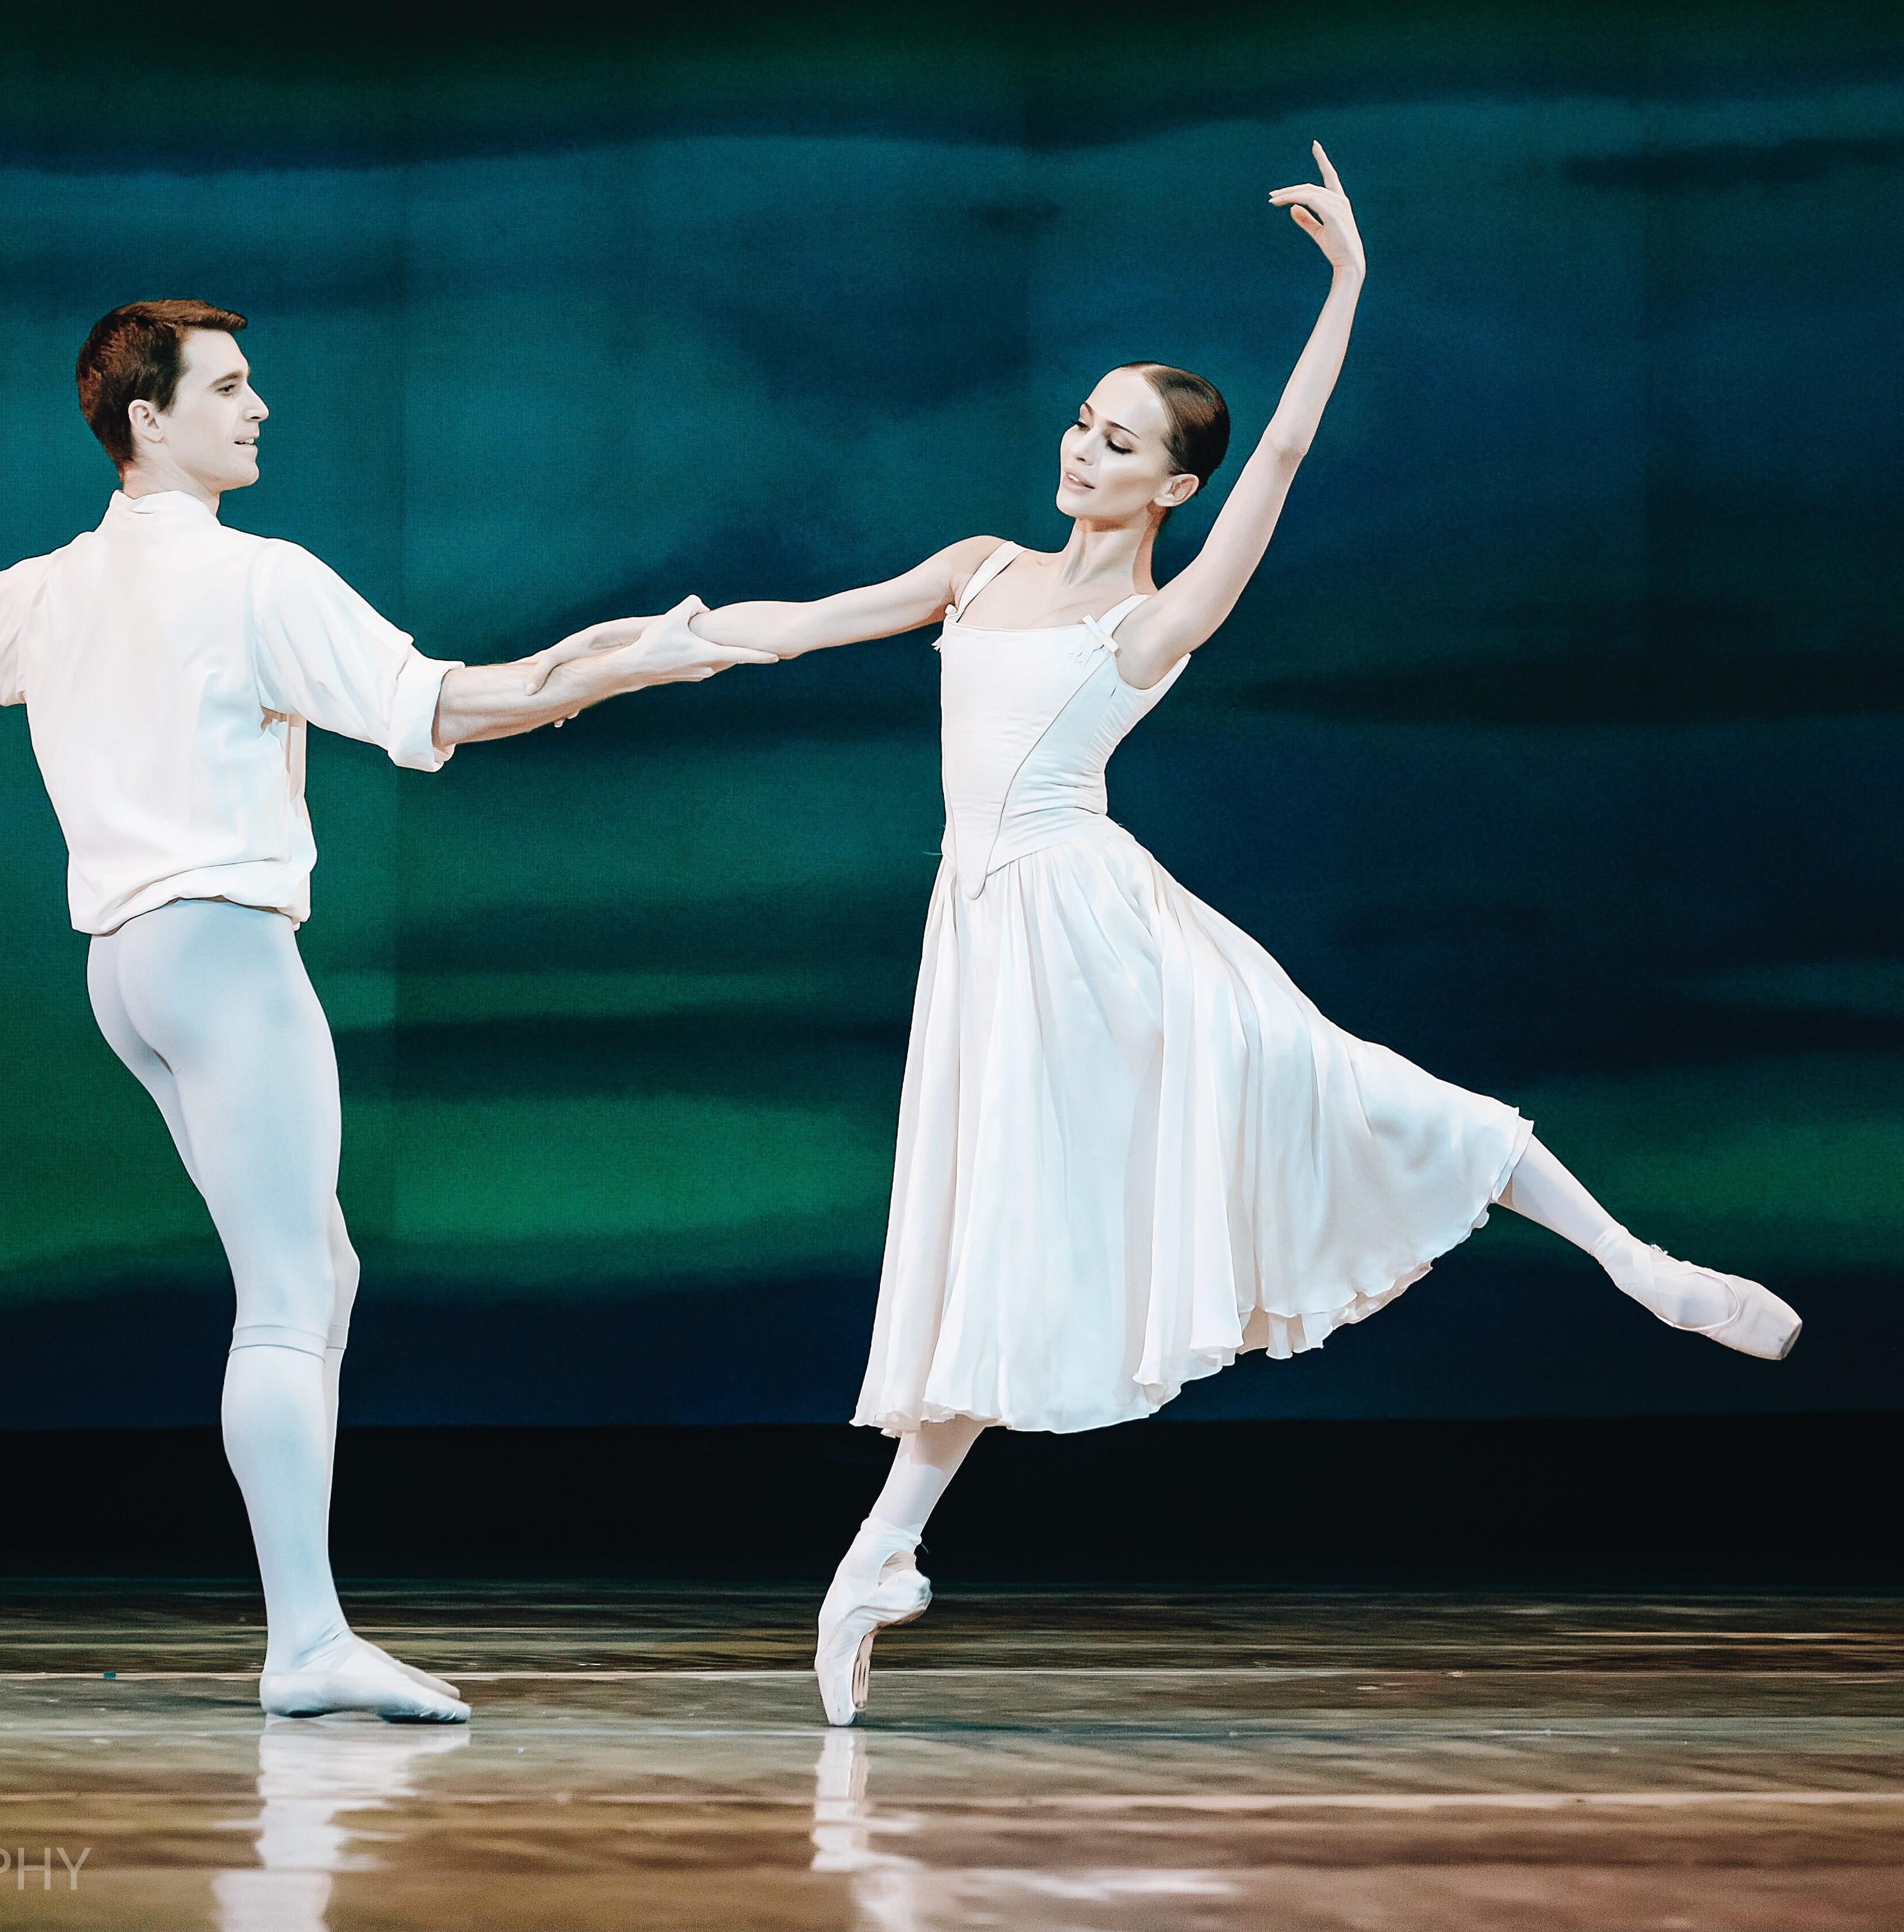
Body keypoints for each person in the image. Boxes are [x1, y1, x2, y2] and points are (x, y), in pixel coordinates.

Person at [659, 148, 1801, 1724]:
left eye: (1115, 441)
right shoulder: (974, 571)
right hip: (987, 942)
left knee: (1347, 1091)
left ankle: (1636, 1261)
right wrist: (646, 651)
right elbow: (789, 625)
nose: (1079, 448)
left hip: (1099, 936)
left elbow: (1274, 459)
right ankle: (879, 1558)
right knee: (989, 1234)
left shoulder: (1154, 619)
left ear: (1164, 488)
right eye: (1077, 422)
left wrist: (1344, 287)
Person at [0, 297, 766, 1723]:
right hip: (220, 953)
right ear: (147, 420)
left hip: (129, 976)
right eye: (229, 386)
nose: (259, 405)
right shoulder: (252, 579)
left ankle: (308, 1631)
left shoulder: (54, 587)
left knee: (317, 1274)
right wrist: (619, 665)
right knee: (289, 1299)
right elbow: (447, 704)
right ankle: (306, 1642)